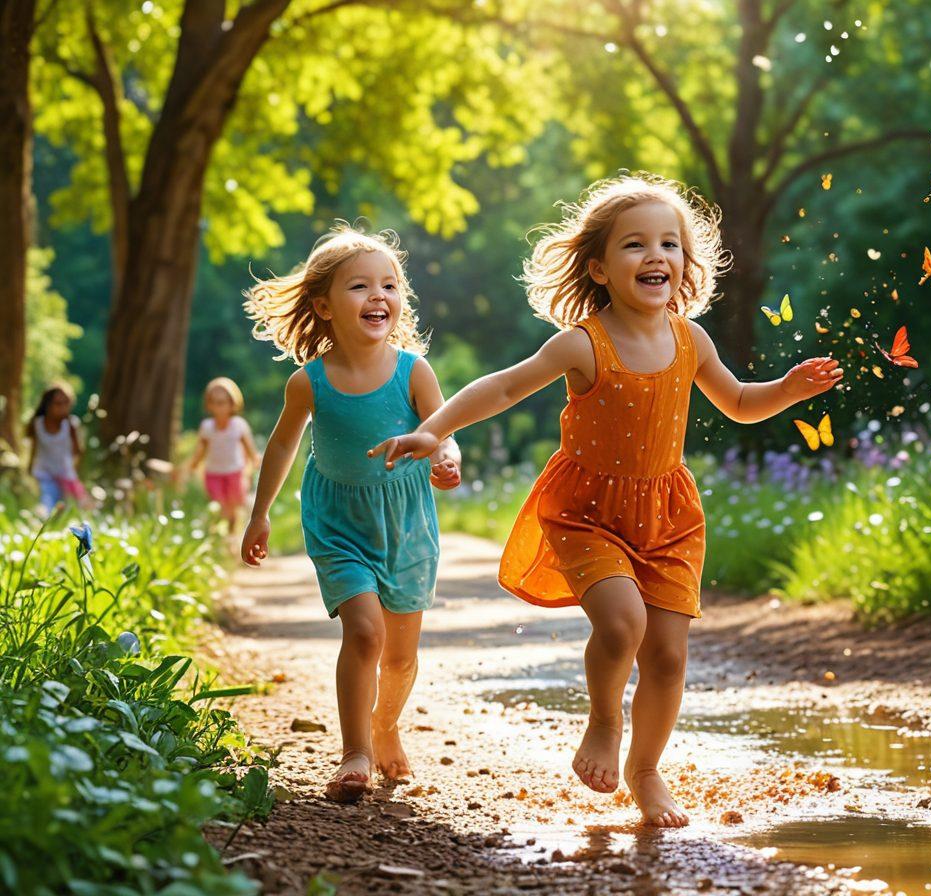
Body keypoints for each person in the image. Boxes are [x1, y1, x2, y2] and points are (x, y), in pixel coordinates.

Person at [373, 174, 842, 827]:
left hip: (668, 515)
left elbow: (737, 402)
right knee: (622, 624)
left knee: (669, 655)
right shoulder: (582, 343)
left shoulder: (691, 339)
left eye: (669, 244)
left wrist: (786, 390)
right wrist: (434, 429)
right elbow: (506, 387)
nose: (656, 256)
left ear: (685, 262)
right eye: (634, 245)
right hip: (588, 511)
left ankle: (647, 771)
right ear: (597, 266)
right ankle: (602, 723)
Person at [240, 224, 462, 803]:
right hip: (338, 522)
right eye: (359, 286)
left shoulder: (414, 371)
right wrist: (260, 513)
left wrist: (446, 458)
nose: (377, 296)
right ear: (323, 305)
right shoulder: (308, 383)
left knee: (401, 654)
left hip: (406, 522)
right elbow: (284, 445)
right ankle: (355, 750)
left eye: (389, 284)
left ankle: (386, 723)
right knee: (364, 633)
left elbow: (442, 430)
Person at [186, 377, 259, 534]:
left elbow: (250, 449)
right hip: (213, 474)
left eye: (222, 402)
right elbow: (200, 451)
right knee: (220, 508)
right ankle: (225, 537)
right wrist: (191, 466)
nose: (218, 407)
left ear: (232, 404)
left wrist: (254, 463)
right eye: (214, 402)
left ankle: (234, 536)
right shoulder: (207, 427)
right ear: (208, 404)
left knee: (233, 508)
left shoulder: (239, 425)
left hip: (235, 472)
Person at [26, 384, 88, 514]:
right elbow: (33, 448)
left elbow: (77, 453)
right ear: (48, 405)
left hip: (65, 475)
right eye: (58, 404)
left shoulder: (71, 425)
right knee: (46, 504)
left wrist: (73, 475)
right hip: (44, 474)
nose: (63, 407)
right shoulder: (37, 424)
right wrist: (29, 468)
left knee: (76, 509)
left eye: (66, 403)